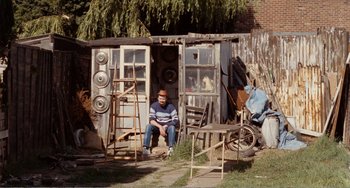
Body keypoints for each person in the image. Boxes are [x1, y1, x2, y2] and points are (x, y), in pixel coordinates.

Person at [143, 89, 178, 156]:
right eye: (160, 98)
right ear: (158, 98)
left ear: (166, 99)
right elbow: (151, 120)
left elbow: (175, 119)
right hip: (157, 126)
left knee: (172, 128)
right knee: (148, 126)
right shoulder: (154, 106)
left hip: (167, 126)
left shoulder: (171, 107)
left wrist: (165, 126)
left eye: (163, 99)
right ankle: (146, 148)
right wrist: (160, 127)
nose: (161, 100)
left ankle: (171, 149)